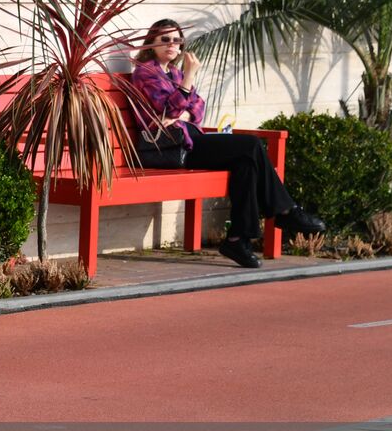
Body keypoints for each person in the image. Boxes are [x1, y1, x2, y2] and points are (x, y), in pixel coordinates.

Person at [130, 18, 325, 268]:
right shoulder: (145, 73)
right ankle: (285, 211)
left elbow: (198, 109)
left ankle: (238, 240)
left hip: (189, 140)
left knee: (246, 164)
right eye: (164, 40)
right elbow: (169, 107)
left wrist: (183, 111)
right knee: (251, 146)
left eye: (176, 40)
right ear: (152, 43)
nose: (171, 45)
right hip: (170, 148)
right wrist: (189, 79)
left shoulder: (174, 73)